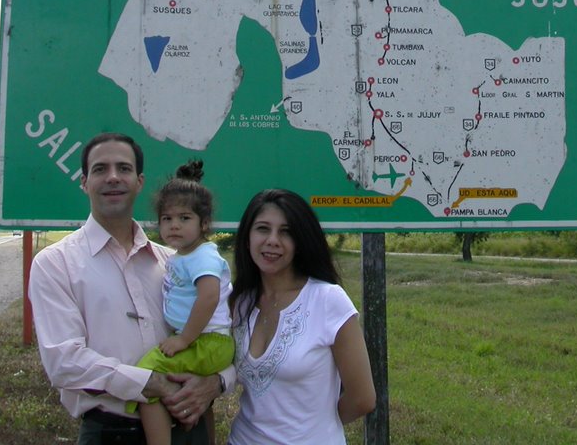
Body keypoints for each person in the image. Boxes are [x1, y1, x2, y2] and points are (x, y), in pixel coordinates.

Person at [28, 133, 234, 445]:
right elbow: (63, 362)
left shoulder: (174, 262)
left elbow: (225, 330)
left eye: (123, 168)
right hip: (112, 432)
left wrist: (218, 382)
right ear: (84, 182)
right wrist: (149, 383)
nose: (113, 177)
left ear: (139, 182)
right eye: (100, 169)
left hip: (191, 428)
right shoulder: (56, 263)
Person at [226, 189, 376, 445]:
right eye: (263, 229)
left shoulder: (328, 300)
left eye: (286, 231)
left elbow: (362, 398)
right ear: (247, 237)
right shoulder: (239, 301)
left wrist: (315, 430)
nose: (273, 240)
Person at [129, 160, 235, 445]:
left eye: (184, 218)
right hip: (200, 341)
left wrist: (184, 339)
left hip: (206, 341)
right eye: (167, 218)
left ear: (204, 223)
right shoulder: (179, 257)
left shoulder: (203, 256)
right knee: (180, 390)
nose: (174, 225)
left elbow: (210, 296)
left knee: (145, 377)